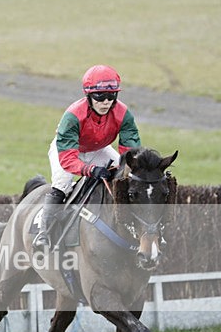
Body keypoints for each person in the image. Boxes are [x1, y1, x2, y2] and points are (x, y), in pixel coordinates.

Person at [32, 64, 141, 251]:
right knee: (62, 185)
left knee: (126, 176)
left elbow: (130, 152)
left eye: (112, 96)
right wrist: (90, 170)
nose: (106, 102)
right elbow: (67, 159)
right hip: (66, 150)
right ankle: (44, 234)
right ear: (88, 95)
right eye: (100, 96)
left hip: (99, 149)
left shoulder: (123, 114)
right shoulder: (73, 116)